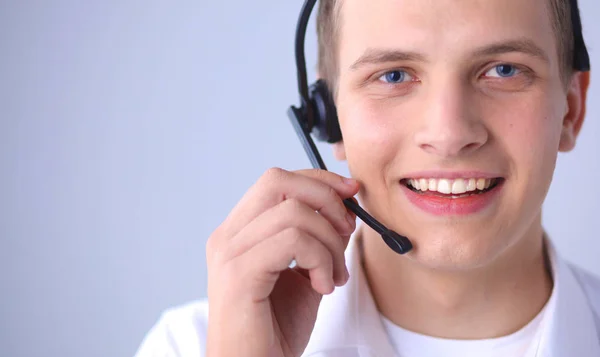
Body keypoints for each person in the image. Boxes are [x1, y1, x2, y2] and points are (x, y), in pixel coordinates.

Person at [134, 0, 600, 356]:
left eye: (504, 70)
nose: (449, 134)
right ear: (328, 116)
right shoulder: (192, 346)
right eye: (394, 75)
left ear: (571, 110)